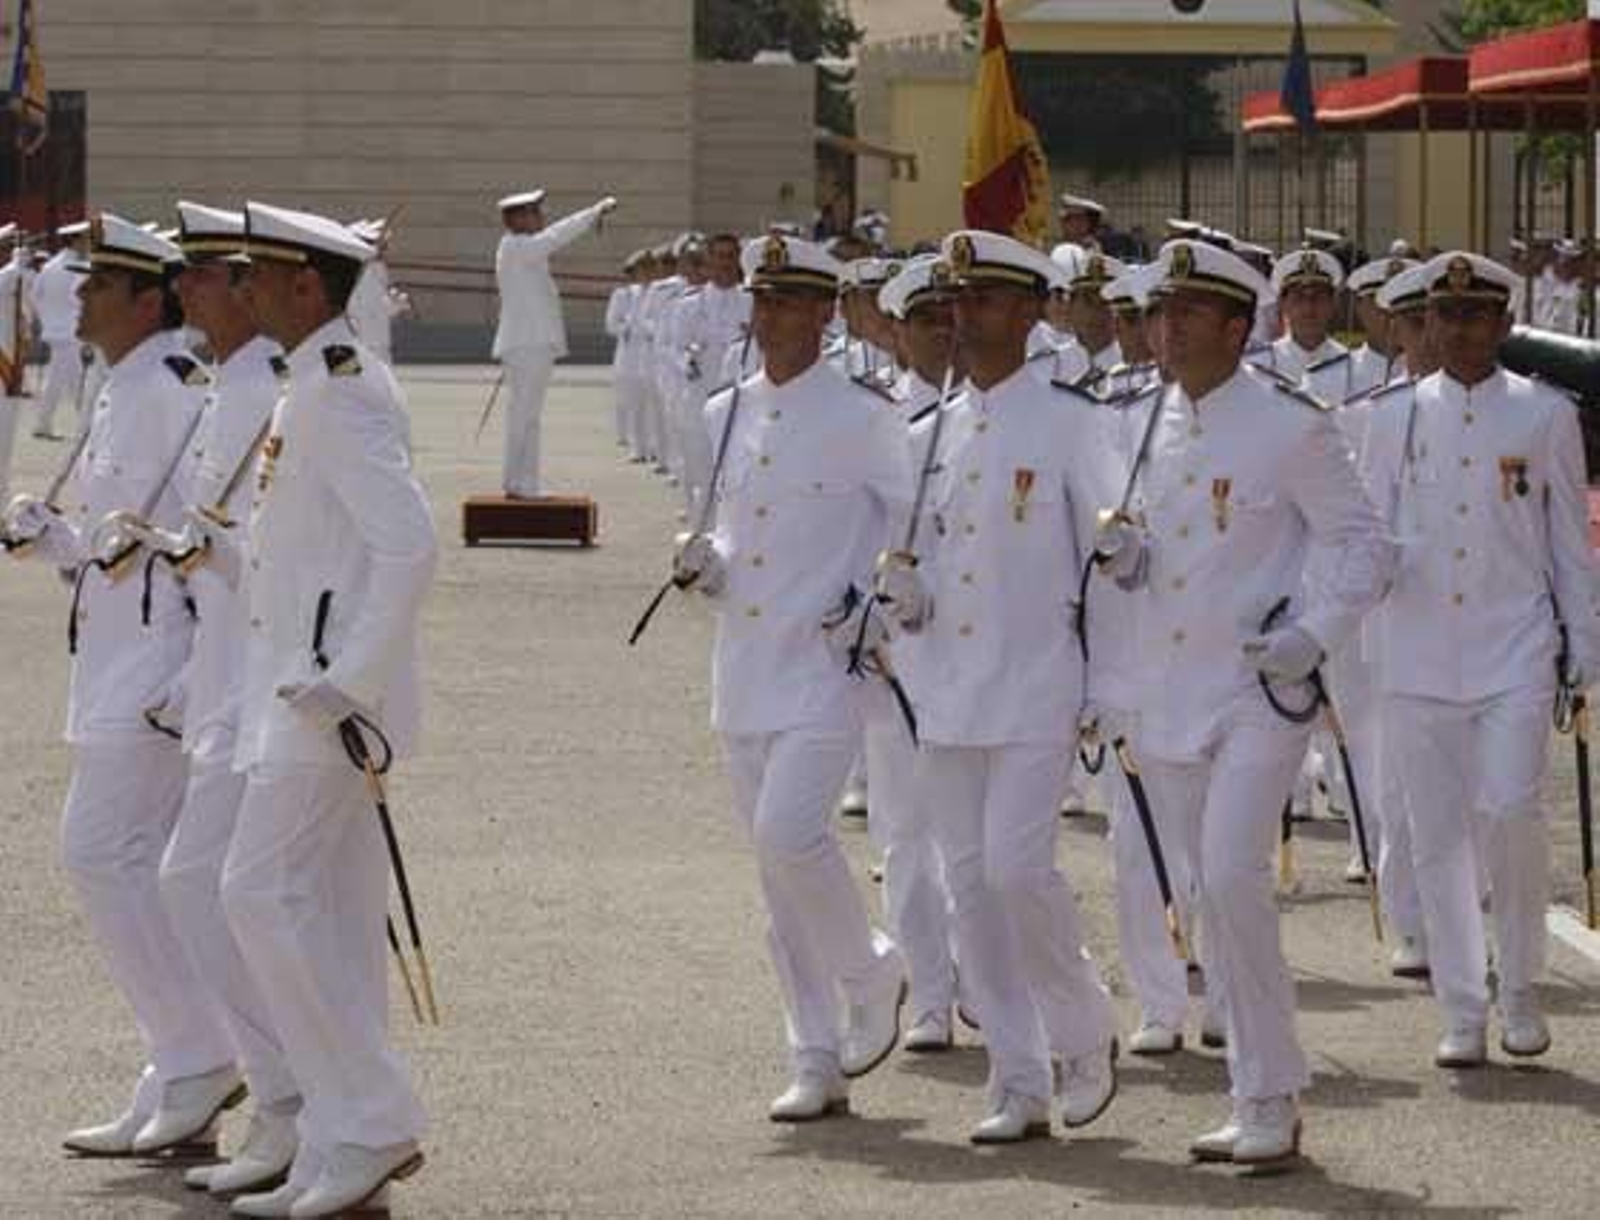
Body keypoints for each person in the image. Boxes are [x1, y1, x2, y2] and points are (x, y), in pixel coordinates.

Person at [1095, 237, 1393, 1165]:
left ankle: (1273, 1093)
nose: (1167, 327)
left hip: (1257, 691)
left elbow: (1366, 547)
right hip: (1169, 693)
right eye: (1161, 311)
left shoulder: (1290, 424)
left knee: (1231, 878)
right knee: (1206, 894)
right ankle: (1249, 1090)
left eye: (1188, 313)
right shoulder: (1145, 421)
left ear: (1238, 325)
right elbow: (1157, 548)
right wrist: (1129, 557)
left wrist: (1313, 631)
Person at [212, 200, 438, 1217]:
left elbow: (410, 543)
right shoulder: (310, 381)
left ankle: (373, 1115)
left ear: (308, 286)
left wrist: (350, 675)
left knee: (252, 890)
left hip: (326, 704)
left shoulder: (334, 393)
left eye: (260, 273)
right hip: (300, 687)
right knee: (333, 919)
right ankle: (337, 1142)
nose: (243, 287)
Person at [7, 213, 243, 1160]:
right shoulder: (122, 389)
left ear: (150, 300)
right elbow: (123, 548)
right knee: (127, 862)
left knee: (102, 854)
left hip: (155, 671)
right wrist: (53, 539)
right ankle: (182, 1058)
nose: (80, 295)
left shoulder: (178, 393)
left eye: (101, 284)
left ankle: (198, 1054)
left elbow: (209, 539)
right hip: (113, 655)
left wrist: (193, 675)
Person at [876, 230, 1119, 1144]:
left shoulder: (1068, 420)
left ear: (1030, 312)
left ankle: (1083, 1030)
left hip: (1035, 683)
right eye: (955, 300)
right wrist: (902, 593)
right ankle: (1017, 1078)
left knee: (1020, 872)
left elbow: (1107, 562)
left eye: (982, 299)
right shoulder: (929, 427)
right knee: (968, 887)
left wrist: (1110, 682)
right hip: (947, 689)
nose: (963, 315)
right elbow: (919, 555)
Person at [668, 233, 909, 1123]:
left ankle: (872, 969)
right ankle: (814, 1053)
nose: (768, 318)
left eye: (788, 303)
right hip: (743, 666)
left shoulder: (864, 412)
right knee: (777, 879)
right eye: (761, 302)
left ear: (823, 312)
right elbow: (735, 533)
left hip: (823, 663)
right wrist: (707, 563)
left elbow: (919, 529)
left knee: (790, 834)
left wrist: (879, 607)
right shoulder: (726, 409)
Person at [1365, 251, 1600, 1069]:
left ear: (1504, 325)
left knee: (1509, 811)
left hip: (1515, 646)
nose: (1461, 331)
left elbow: (1569, 544)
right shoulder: (1392, 416)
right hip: (1419, 651)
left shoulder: (1544, 414)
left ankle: (1523, 991)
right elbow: (1366, 540)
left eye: (1477, 316)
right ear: (1426, 324)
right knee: (1437, 838)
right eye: (1447, 316)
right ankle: (1463, 1008)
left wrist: (1585, 650)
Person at [114, 201, 303, 1199]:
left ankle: (291, 1097)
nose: (182, 290)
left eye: (203, 275)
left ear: (249, 288)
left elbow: (286, 550)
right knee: (212, 887)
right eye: (179, 274)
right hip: (218, 683)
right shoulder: (224, 389)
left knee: (220, 886)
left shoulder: (275, 391)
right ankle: (274, 1092)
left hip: (265, 684)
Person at [492, 188, 617, 498]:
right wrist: (592, 212)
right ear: (517, 218)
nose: (541, 217)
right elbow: (556, 236)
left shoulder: (522, 247)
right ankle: (520, 483)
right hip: (527, 342)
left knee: (527, 416)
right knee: (525, 415)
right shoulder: (518, 246)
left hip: (530, 342)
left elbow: (549, 237)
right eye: (535, 212)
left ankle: (521, 482)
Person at [29, 220, 91, 439]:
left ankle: (42, 425)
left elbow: (35, 297)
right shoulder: (78, 266)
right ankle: (87, 428)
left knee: (56, 380)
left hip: (55, 330)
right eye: (85, 239)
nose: (88, 243)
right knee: (76, 382)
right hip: (71, 330)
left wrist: (47, 318)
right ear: (74, 241)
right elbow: (82, 298)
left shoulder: (50, 266)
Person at [1258, 248, 1347, 385]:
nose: (1309, 308)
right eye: (1298, 298)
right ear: (1283, 304)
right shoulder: (1262, 365)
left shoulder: (1350, 363)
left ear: (1333, 303)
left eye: (1318, 298)